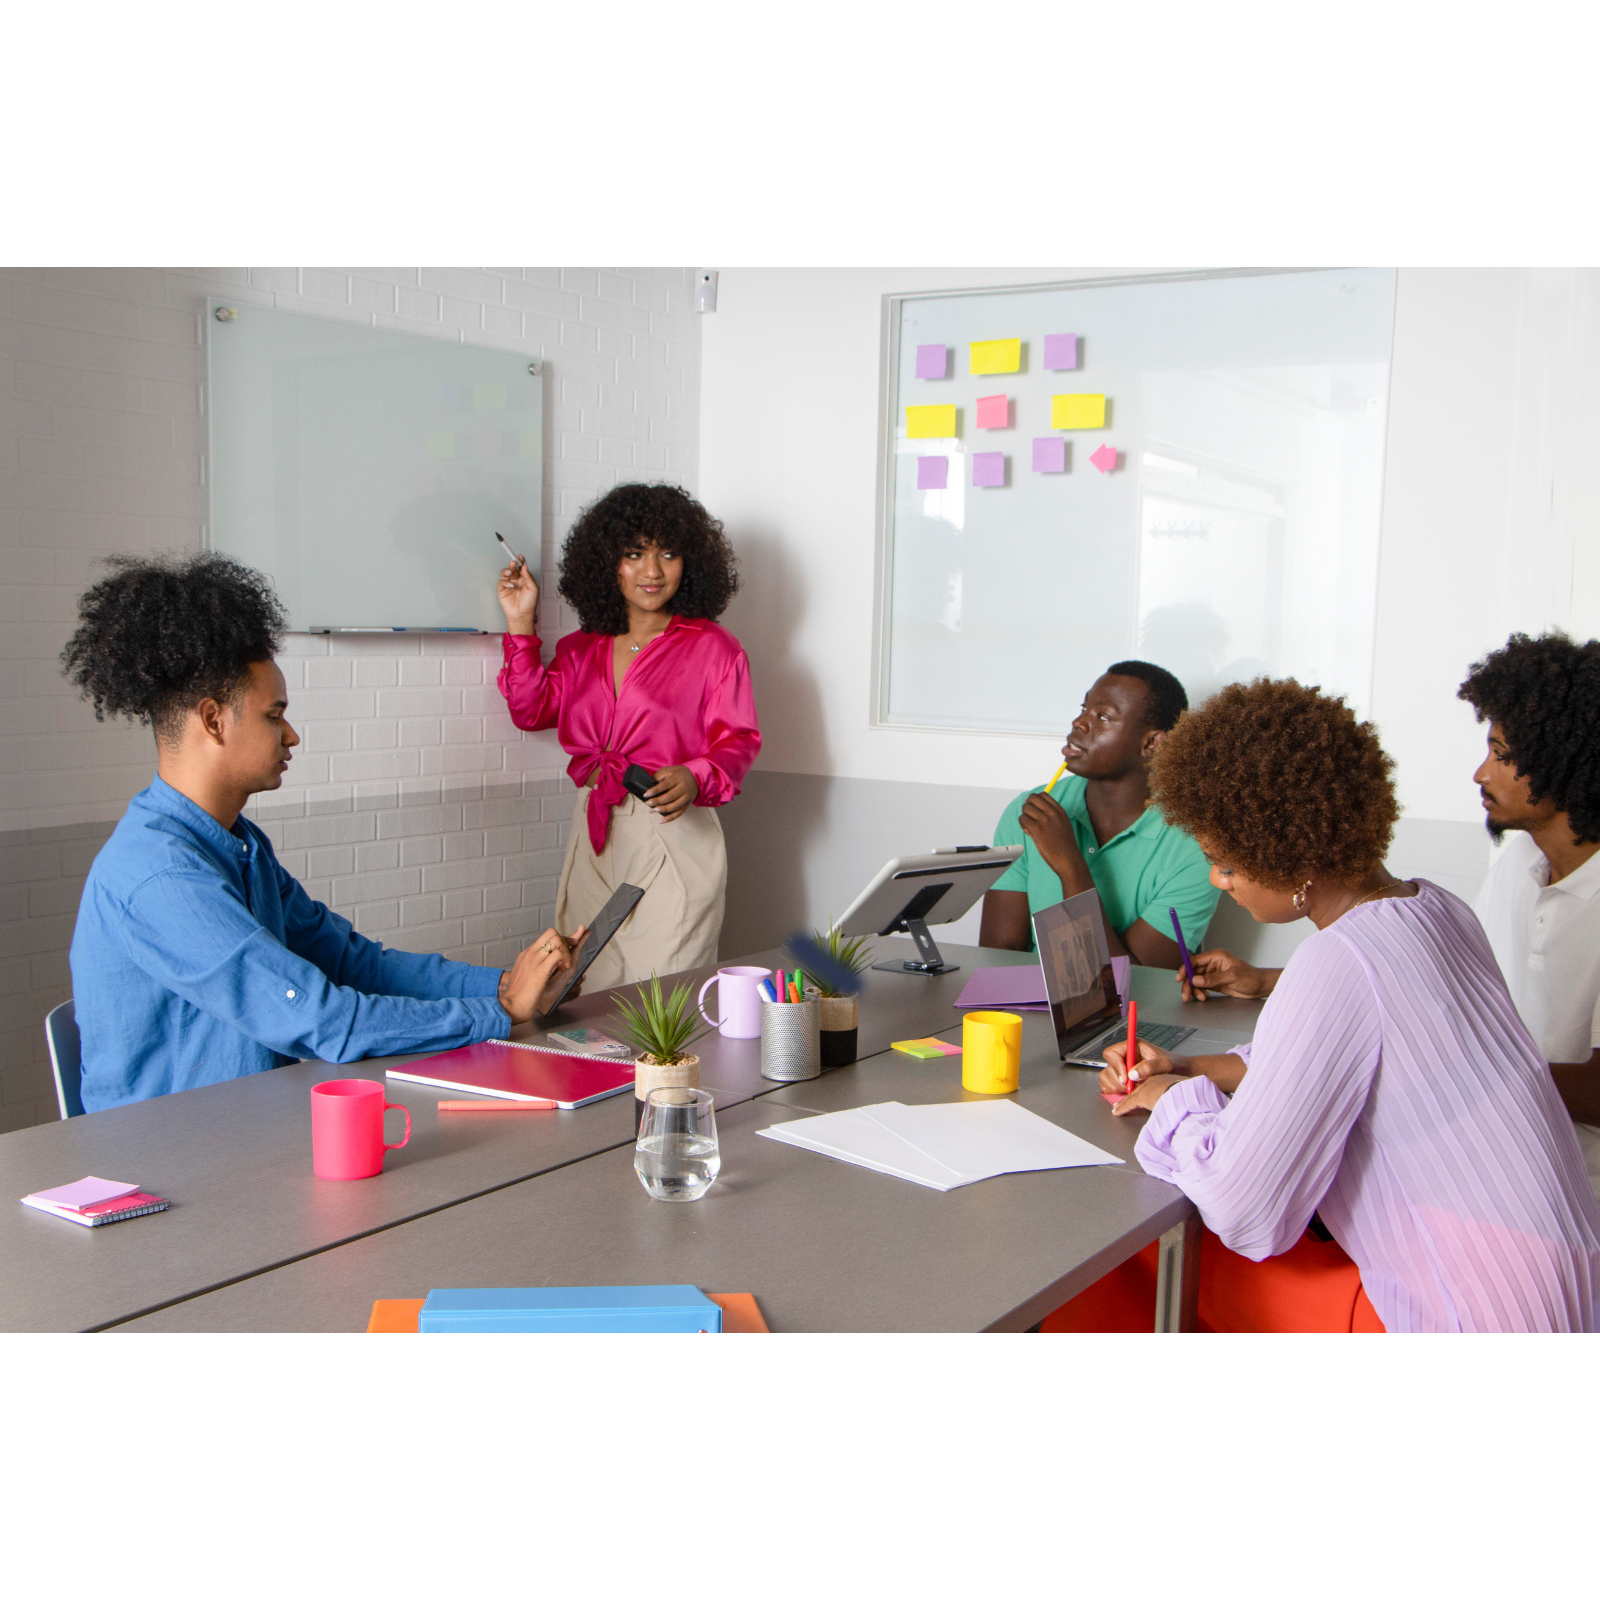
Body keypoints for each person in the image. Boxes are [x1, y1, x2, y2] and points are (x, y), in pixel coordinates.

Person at [1090, 678, 1600, 1332]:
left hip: (1477, 1303)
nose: (1221, 882)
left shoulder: (1338, 960)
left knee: (1142, 1271)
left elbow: (1247, 1209)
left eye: (1223, 863)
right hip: (1563, 1276)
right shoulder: (1438, 907)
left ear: (1284, 852)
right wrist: (1197, 1069)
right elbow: (1364, 1058)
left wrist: (1174, 1103)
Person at [61, 554, 586, 1111]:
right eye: (273, 715)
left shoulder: (237, 845)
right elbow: (323, 1020)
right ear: (214, 720)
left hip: (248, 1129)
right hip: (174, 1160)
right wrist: (501, 1013)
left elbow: (355, 964)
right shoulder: (158, 876)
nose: (292, 736)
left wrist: (504, 986)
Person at [496, 483, 760, 989]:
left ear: (691, 562)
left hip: (671, 828)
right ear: (607, 562)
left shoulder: (716, 650)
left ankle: (665, 1075)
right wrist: (520, 620)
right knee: (582, 984)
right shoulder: (580, 649)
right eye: (634, 554)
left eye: (668, 553)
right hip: (594, 827)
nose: (653, 572)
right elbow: (530, 710)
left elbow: (739, 740)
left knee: (664, 987)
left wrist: (695, 775)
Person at [1459, 631, 1600, 1203]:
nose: (1481, 774)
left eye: (1503, 755)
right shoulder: (1518, 860)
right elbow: (1455, 980)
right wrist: (1268, 982)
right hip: (1504, 1167)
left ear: (1564, 762)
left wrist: (1473, 1077)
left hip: (1580, 1195)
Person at [978, 661, 1217, 967]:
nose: (1079, 722)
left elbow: (1134, 983)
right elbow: (998, 957)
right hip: (1029, 1008)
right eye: (1084, 708)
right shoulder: (1028, 812)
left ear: (1152, 743)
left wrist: (1069, 864)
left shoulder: (1196, 845)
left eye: (1103, 715)